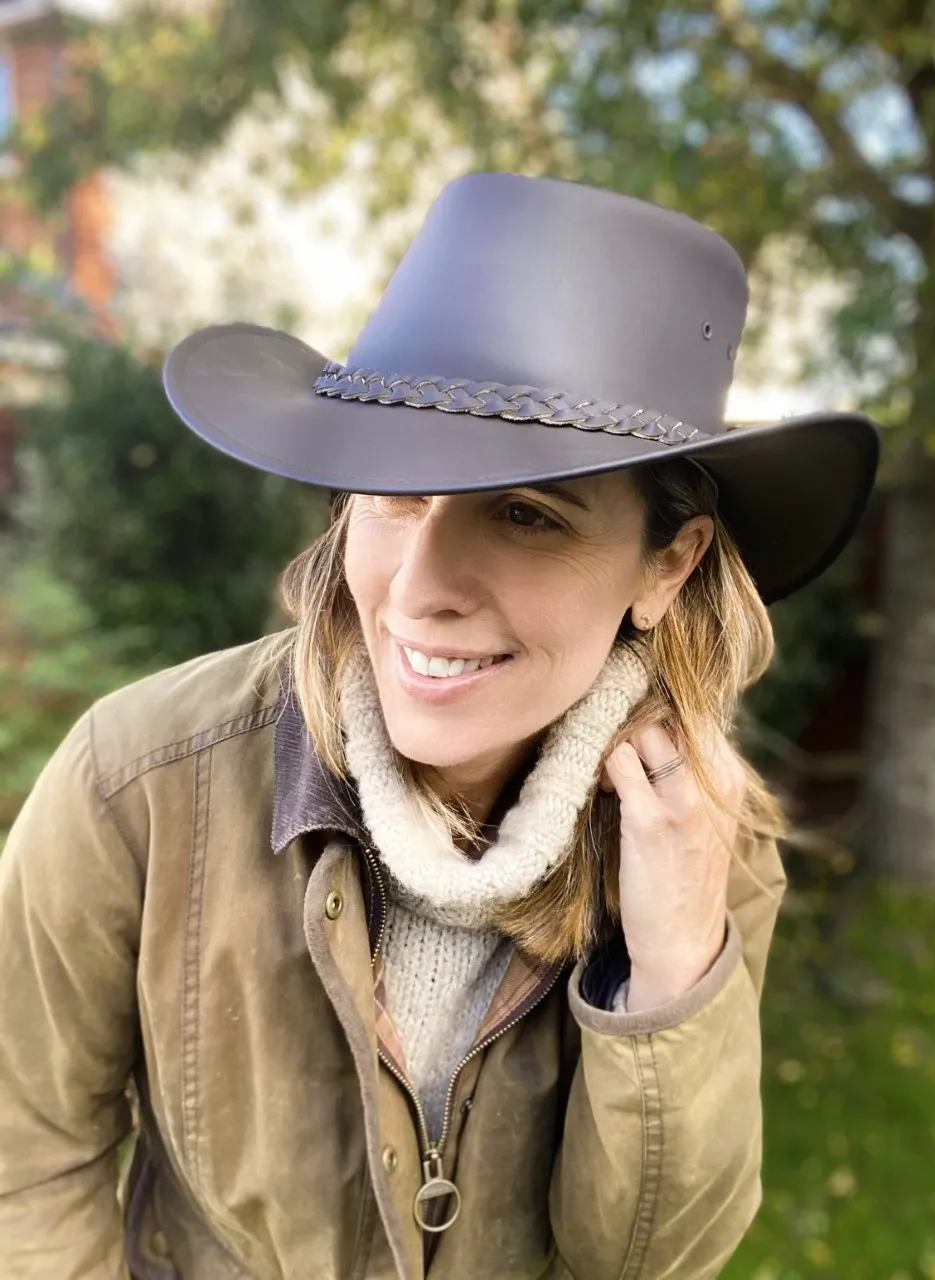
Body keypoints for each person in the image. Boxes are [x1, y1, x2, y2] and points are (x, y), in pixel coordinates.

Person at [0, 172, 879, 1280]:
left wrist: (669, 975)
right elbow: (22, 1157)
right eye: (397, 489)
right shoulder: (136, 782)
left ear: (668, 563)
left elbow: (649, 1256)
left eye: (522, 512)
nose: (419, 586)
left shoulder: (706, 847)